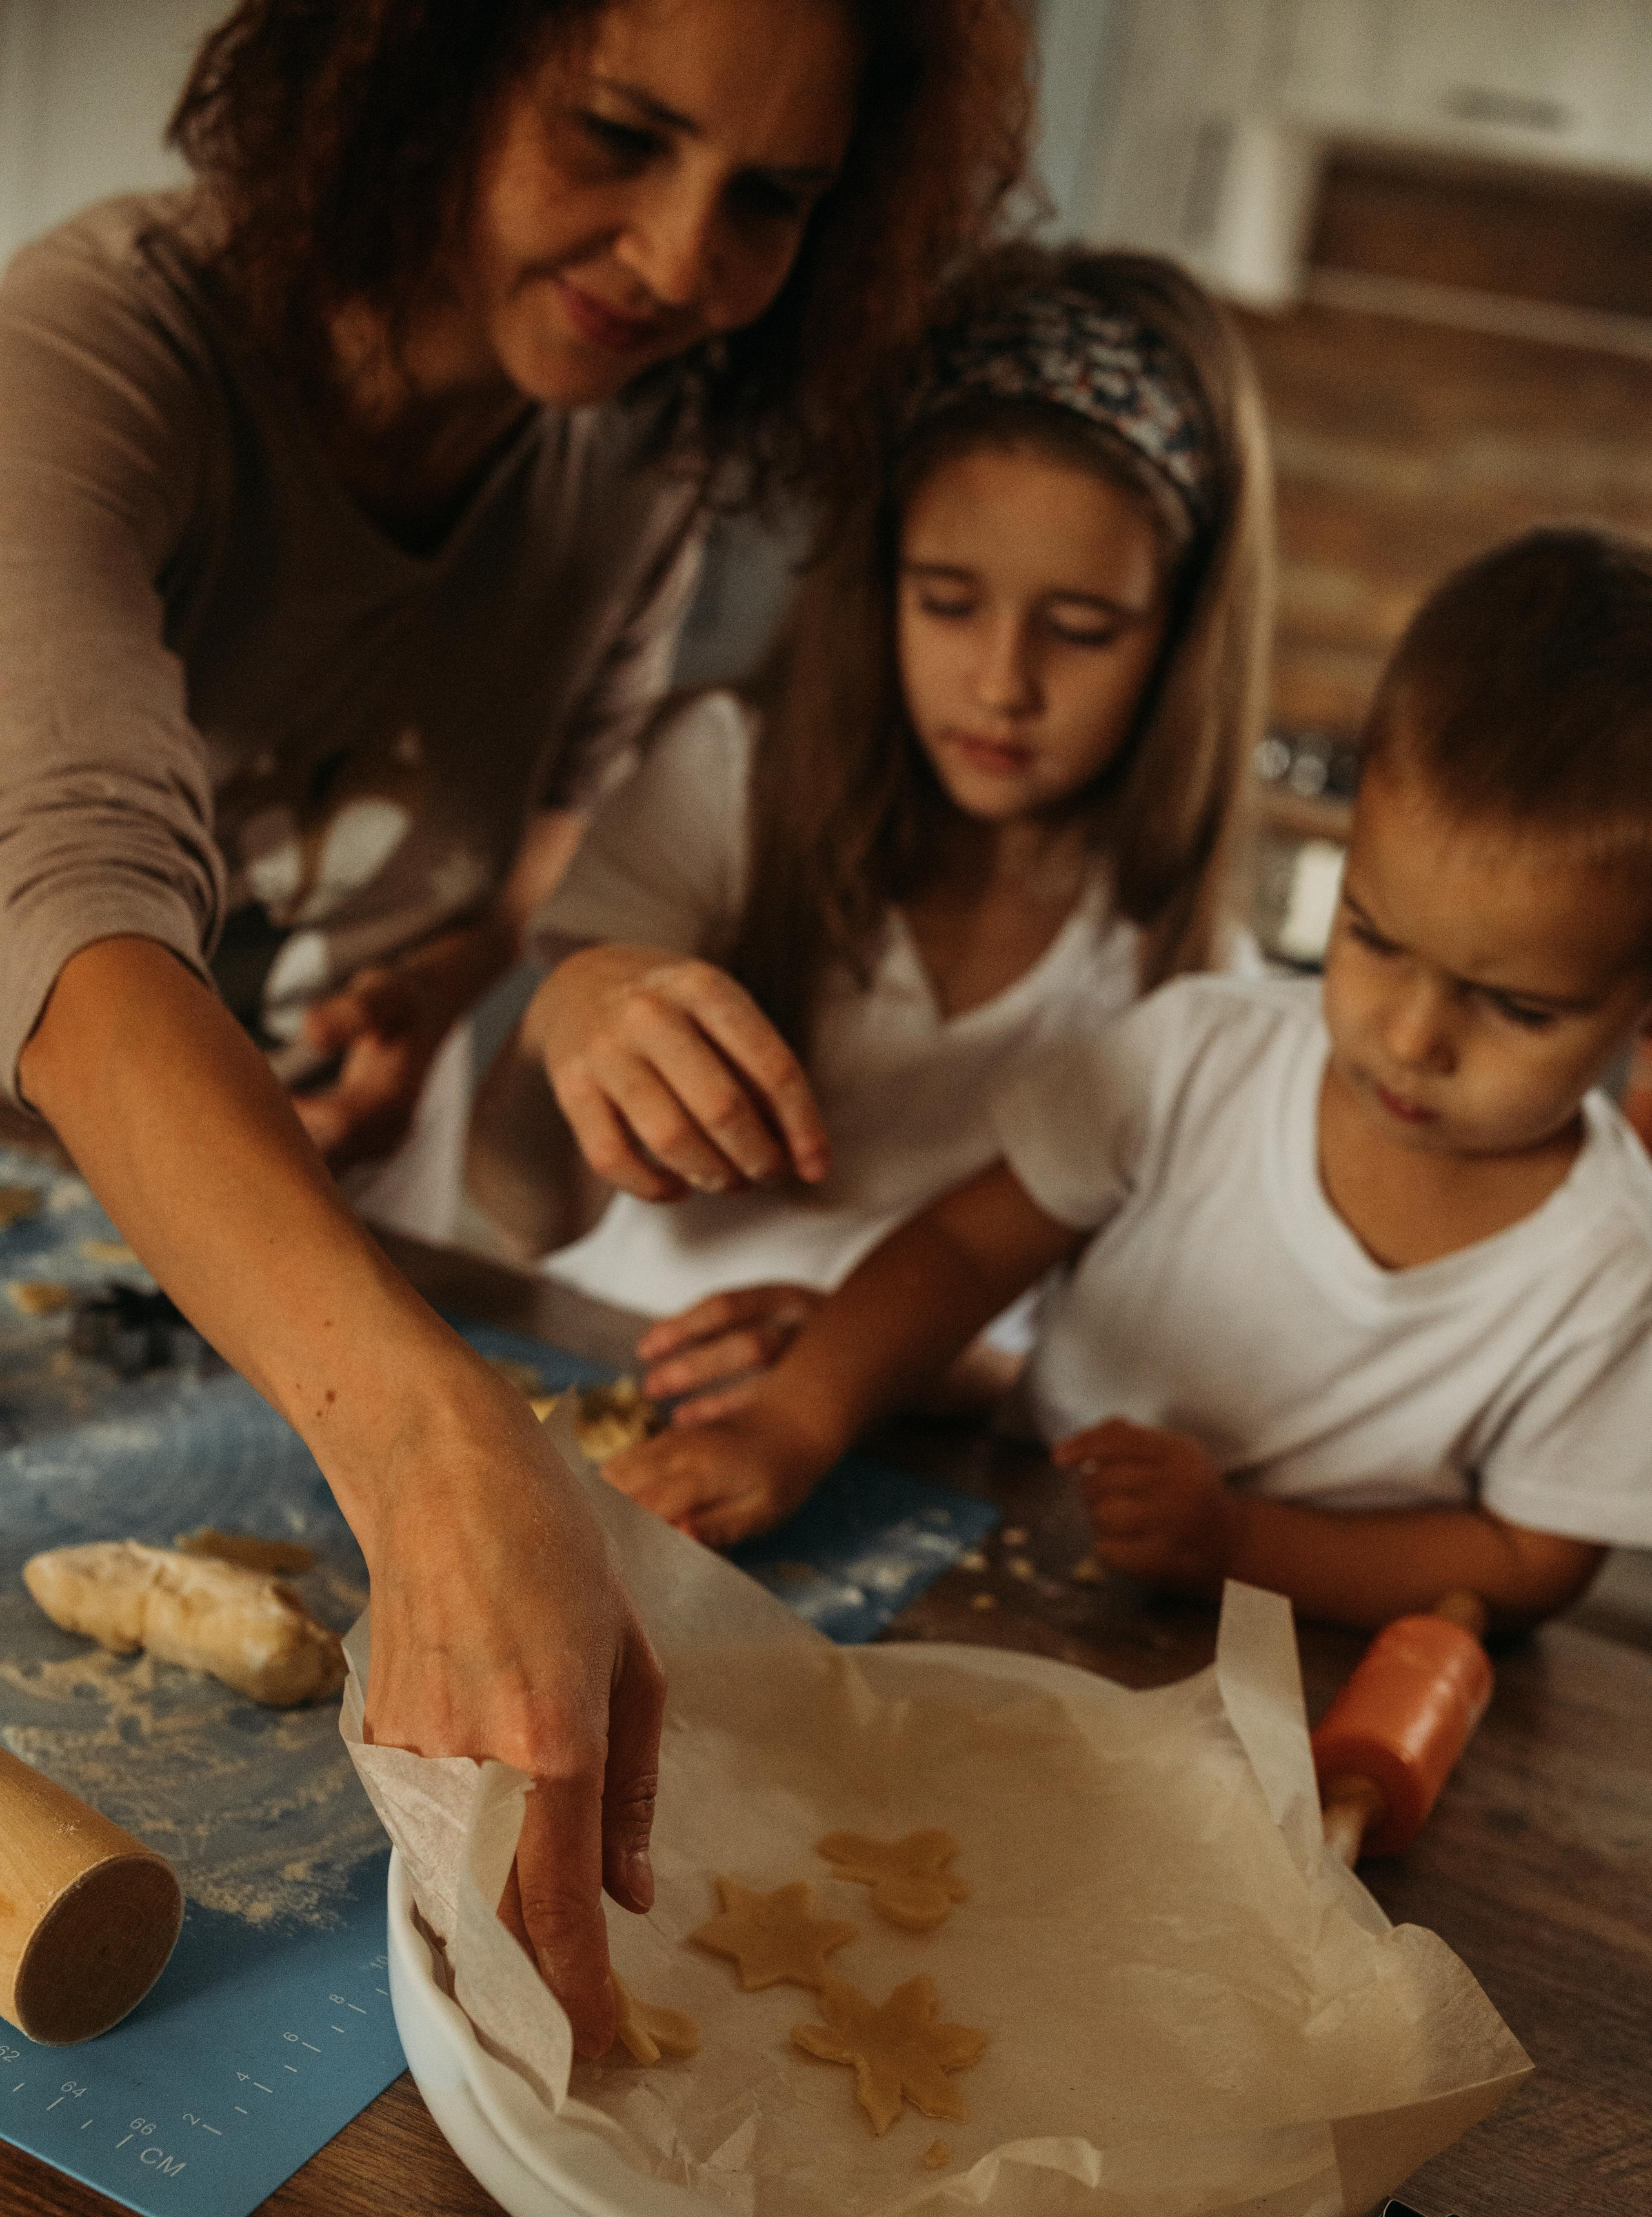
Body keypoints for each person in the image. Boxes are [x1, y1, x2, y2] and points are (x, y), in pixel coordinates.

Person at [0, 0, 1030, 2054]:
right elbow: (76, 907)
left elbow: (533, 831)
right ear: (414, 62)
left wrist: (456, 982)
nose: (680, 258)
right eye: (616, 136)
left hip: (201, 1225)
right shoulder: (85, 364)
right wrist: (420, 1443)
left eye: (772, 200)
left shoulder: (638, 427)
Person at [603, 529, 1652, 1632]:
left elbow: (1529, 1559)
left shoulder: (1614, 1267)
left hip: (1310, 1665)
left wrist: (1242, 1545)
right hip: (994, 1557)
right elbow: (964, 1248)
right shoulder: (1200, 1054)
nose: (1413, 1035)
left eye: (1517, 1008)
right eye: (1374, 938)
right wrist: (791, 1424)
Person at [465, 243, 1273, 1416]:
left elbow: (1113, 1386)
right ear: (878, 578)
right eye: (946, 602)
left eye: (1082, 628)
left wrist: (882, 1359)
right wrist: (565, 1017)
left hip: (911, 1448)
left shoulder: (1187, 973)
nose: (1001, 682)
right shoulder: (729, 782)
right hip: (609, 1375)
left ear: (1184, 637)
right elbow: (522, 1207)